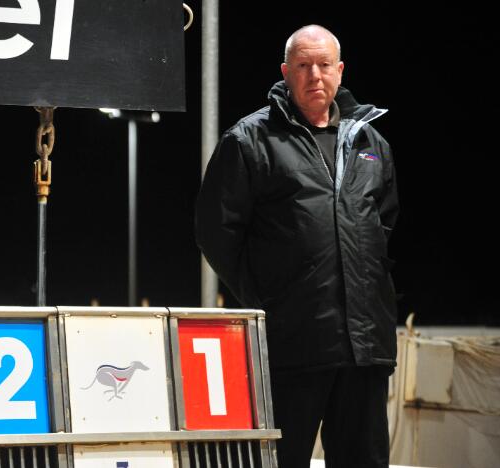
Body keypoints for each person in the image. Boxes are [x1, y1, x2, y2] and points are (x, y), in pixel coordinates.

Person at [195, 25, 399, 468]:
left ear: (340, 71)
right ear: (286, 72)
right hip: (292, 345)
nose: (315, 76)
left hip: (364, 348)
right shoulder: (249, 140)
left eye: (324, 65)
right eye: (303, 66)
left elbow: (382, 224)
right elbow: (216, 231)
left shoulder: (370, 141)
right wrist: (269, 298)